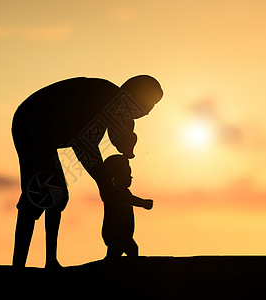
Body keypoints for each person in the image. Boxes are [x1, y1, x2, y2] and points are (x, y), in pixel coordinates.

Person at [11, 75, 163, 268]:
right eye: (150, 104)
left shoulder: (117, 108)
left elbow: (115, 138)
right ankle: (19, 266)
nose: (148, 113)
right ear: (138, 95)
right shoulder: (105, 99)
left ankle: (49, 261)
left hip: (46, 131)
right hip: (32, 124)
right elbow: (83, 144)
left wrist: (126, 147)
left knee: (56, 197)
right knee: (40, 195)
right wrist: (104, 182)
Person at [101, 154, 153, 259]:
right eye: (127, 175)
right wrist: (143, 203)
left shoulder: (118, 190)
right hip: (117, 233)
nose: (130, 178)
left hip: (119, 233)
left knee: (115, 253)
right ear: (117, 175)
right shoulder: (117, 191)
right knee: (132, 249)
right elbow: (128, 199)